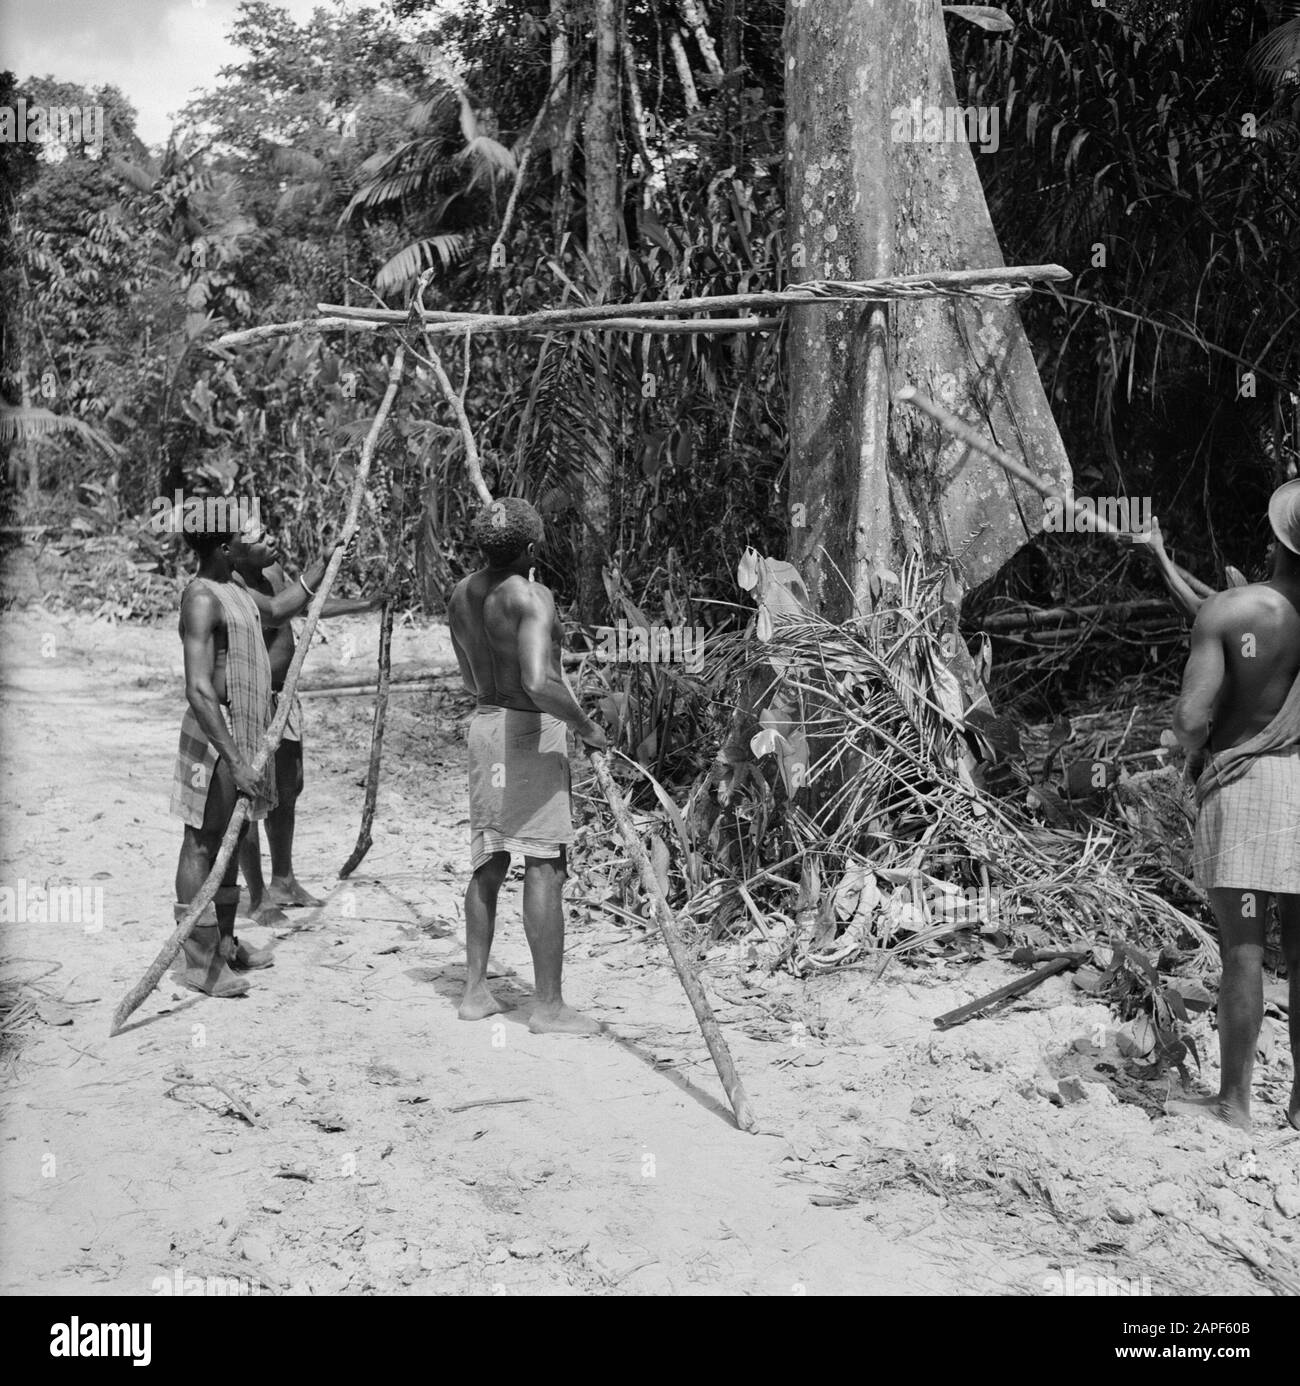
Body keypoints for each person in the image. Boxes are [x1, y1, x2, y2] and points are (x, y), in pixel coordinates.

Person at [447, 498, 608, 1033]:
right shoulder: (532, 596)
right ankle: (548, 1006)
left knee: (489, 859)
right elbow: (539, 683)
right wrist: (585, 727)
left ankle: (474, 992)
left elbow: (471, 680)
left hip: (485, 725)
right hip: (527, 732)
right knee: (544, 862)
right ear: (533, 549)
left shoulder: (461, 594)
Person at [1169, 479, 1300, 1130]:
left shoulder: (1230, 611)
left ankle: (1236, 1102)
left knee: (1244, 951)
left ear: (1276, 537)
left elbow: (1192, 720)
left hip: (1247, 792)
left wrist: (1192, 728)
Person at [169, 514, 334, 997]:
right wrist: (234, 758)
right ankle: (200, 962)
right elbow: (199, 688)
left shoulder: (234, 586)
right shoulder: (202, 597)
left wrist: (324, 563)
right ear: (224, 548)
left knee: (229, 835)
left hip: (242, 728)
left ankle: (223, 944)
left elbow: (280, 609)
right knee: (203, 842)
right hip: (215, 734)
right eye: (245, 539)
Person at [233, 539, 380, 926]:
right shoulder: (231, 584)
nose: (272, 542)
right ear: (234, 551)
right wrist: (321, 564)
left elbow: (303, 606)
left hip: (284, 697)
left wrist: (365, 604)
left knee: (288, 786)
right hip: (251, 700)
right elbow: (277, 614)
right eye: (258, 539)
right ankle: (258, 895)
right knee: (249, 796)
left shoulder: (273, 574)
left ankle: (284, 879)